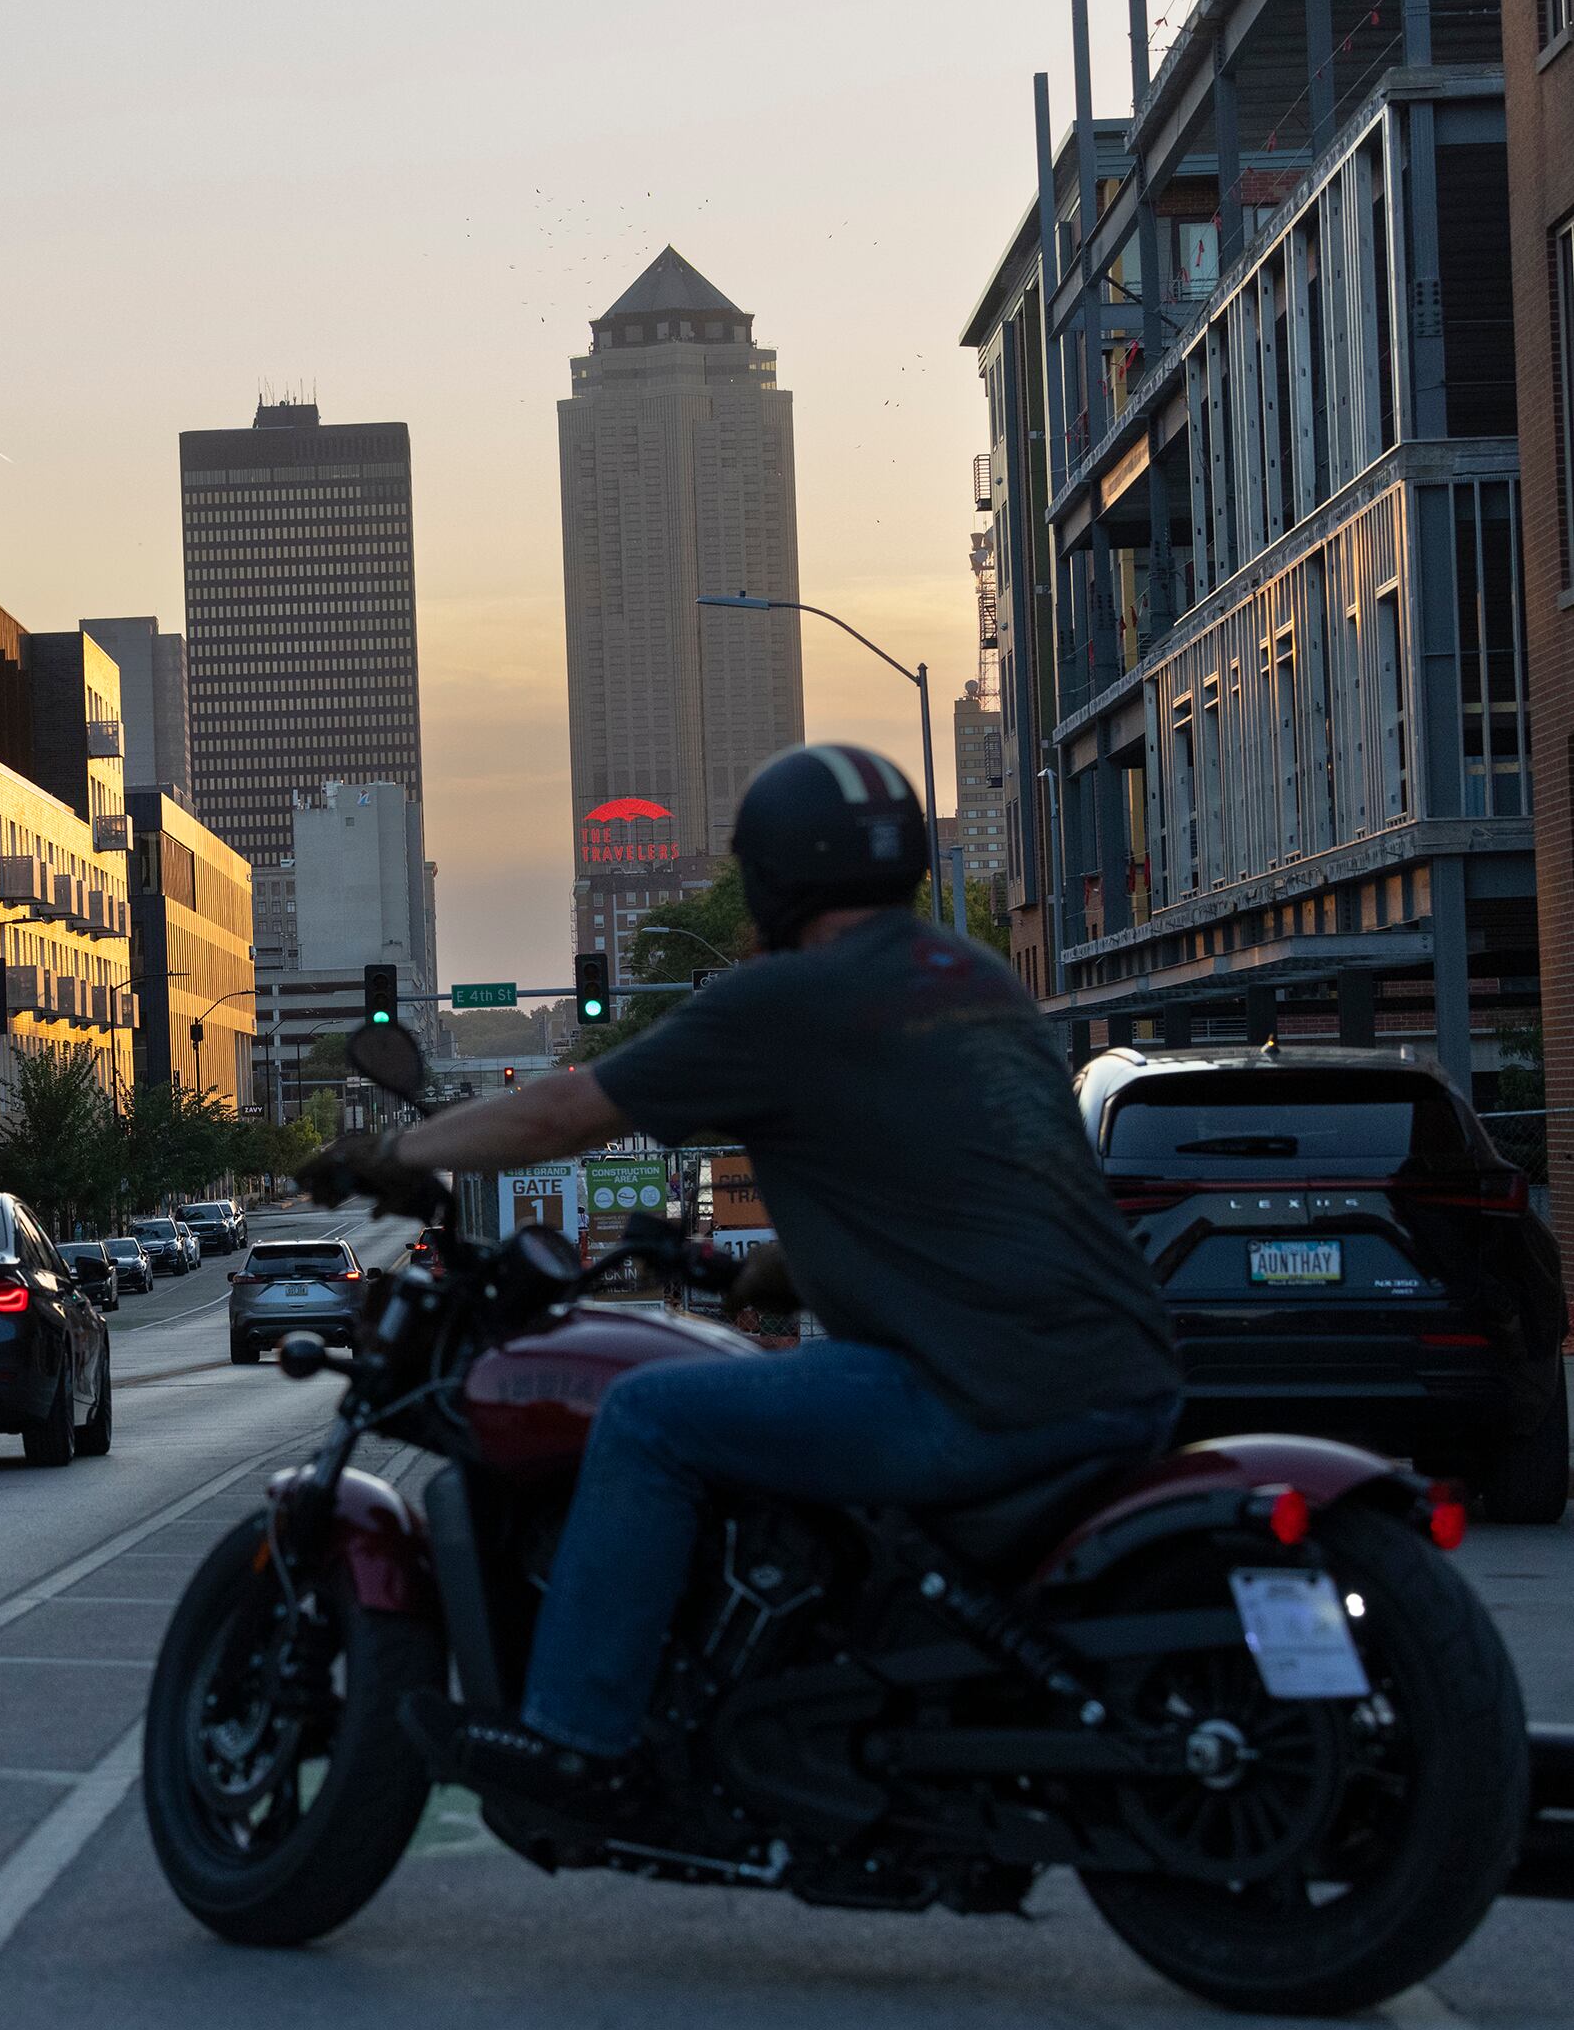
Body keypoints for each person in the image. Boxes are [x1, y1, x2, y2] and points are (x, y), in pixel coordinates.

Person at [299, 741, 1180, 1812]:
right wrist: (766, 1269)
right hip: (1123, 1375)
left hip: (973, 1390)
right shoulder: (977, 980)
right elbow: (937, 1192)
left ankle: (574, 1737)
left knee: (646, 1418)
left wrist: (391, 1154)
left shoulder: (787, 997)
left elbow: (566, 1109)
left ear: (771, 874)